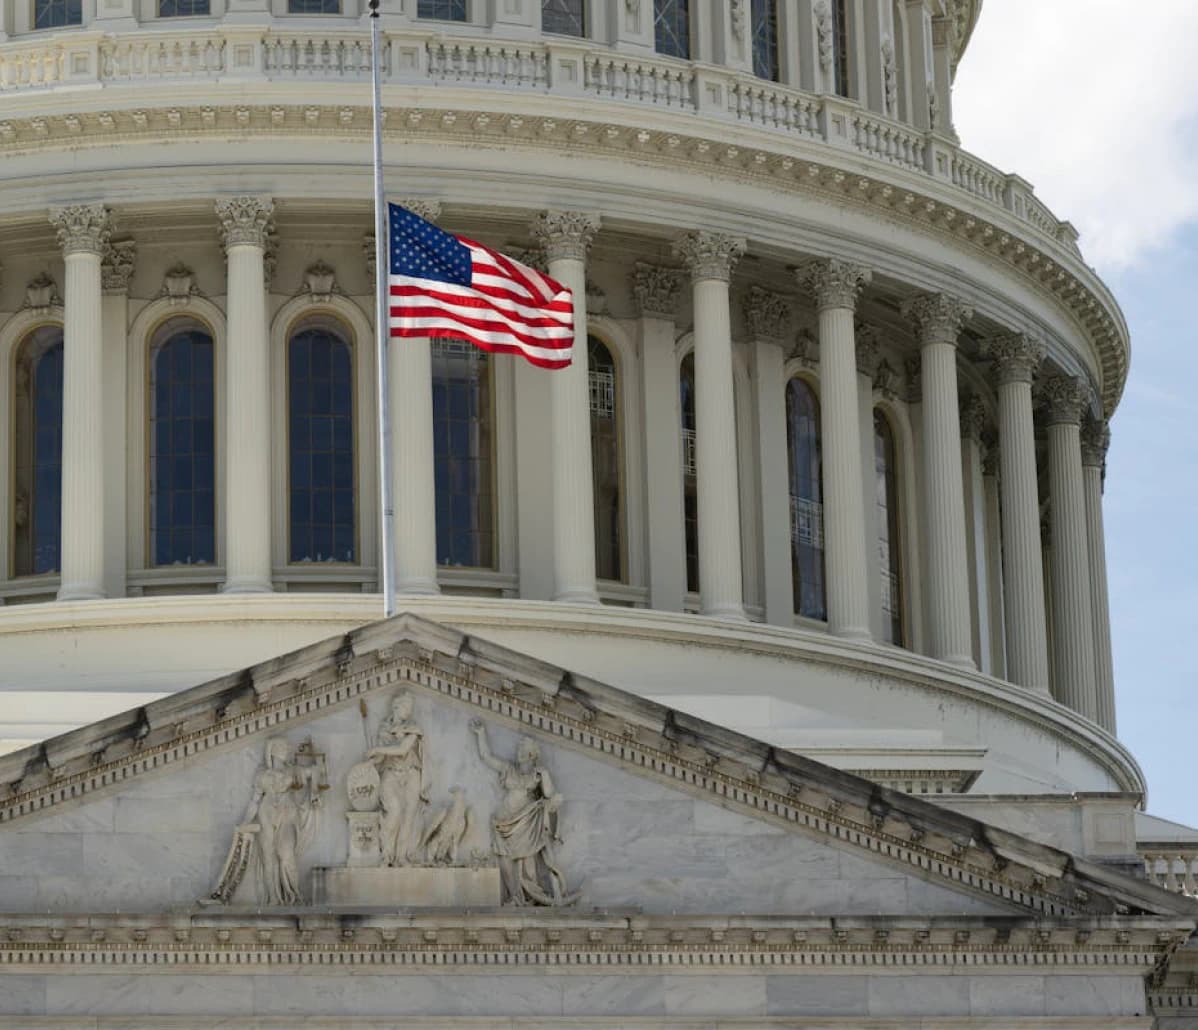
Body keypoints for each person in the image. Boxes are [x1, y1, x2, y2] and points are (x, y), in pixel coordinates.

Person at [470, 719, 576, 906]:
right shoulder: (509, 769)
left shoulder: (537, 774)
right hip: (503, 822)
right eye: (519, 749)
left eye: (523, 749)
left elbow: (550, 795)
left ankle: (531, 895)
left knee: (527, 864)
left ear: (531, 754)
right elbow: (486, 757)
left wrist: (545, 776)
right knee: (504, 860)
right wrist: (481, 734)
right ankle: (514, 896)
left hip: (527, 822)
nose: (518, 752)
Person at [241, 737, 319, 905]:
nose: (286, 749)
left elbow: (314, 771)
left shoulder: (293, 771)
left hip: (288, 813)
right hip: (267, 813)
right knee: (268, 856)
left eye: (286, 746)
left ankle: (293, 895)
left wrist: (314, 789)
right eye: (282, 746)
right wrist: (245, 821)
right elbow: (255, 800)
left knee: (286, 854)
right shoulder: (262, 775)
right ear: (272, 750)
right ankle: (274, 899)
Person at [368, 692, 426, 866]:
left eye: (410, 708)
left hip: (411, 772)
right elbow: (380, 758)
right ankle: (386, 855)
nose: (409, 711)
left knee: (409, 815)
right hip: (390, 771)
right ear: (396, 706)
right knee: (393, 811)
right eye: (406, 707)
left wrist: (377, 750)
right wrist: (370, 762)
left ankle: (402, 856)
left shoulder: (413, 727)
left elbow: (402, 749)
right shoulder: (384, 728)